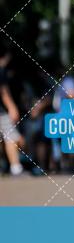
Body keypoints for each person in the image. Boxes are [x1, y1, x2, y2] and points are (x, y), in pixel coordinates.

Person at [0, 45, 24, 176]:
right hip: (2, 113)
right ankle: (16, 168)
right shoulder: (1, 70)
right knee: (13, 138)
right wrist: (12, 107)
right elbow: (3, 91)